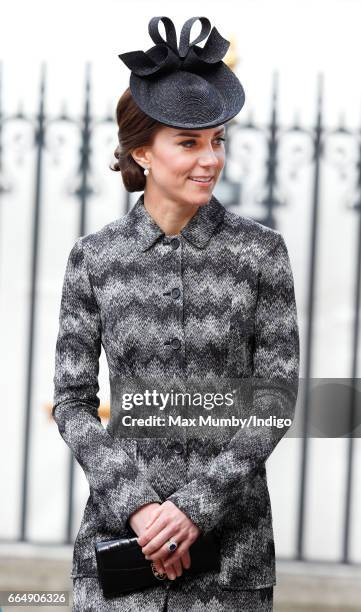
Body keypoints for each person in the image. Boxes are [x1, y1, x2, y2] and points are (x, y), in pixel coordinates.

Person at [52, 16, 300, 611]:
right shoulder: (94, 258)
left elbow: (276, 397)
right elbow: (72, 401)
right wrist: (139, 506)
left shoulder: (260, 253)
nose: (209, 159)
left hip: (231, 556)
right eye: (188, 143)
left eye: (217, 141)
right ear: (142, 150)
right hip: (119, 546)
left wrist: (193, 508)